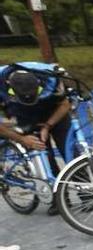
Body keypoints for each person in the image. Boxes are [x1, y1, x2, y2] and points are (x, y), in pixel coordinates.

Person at [0, 63, 71, 215]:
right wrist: (22, 139)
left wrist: (47, 125)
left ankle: (86, 193)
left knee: (69, 151)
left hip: (54, 111)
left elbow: (65, 105)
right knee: (43, 154)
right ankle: (58, 198)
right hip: (25, 115)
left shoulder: (51, 78)